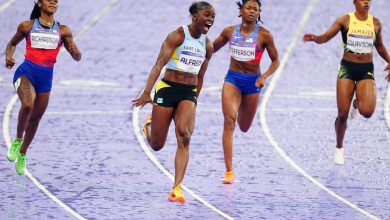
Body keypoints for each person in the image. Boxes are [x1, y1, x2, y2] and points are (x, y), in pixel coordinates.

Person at [132, 2, 215, 204]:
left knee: (185, 137)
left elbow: (201, 76)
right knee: (157, 145)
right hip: (168, 88)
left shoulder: (207, 46)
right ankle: (149, 126)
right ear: (195, 16)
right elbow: (159, 64)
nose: (211, 19)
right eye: (207, 15)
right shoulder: (177, 35)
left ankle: (176, 189)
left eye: (213, 16)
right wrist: (146, 92)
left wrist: (195, 97)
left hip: (188, 92)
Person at [303, 0, 390, 164]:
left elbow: (379, 46)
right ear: (355, 2)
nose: (367, 3)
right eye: (363, 0)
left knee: (368, 112)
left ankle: (356, 104)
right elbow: (326, 37)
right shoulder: (345, 20)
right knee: (342, 115)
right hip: (347, 69)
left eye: (369, 0)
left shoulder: (376, 23)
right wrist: (315, 38)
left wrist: (389, 61)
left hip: (366, 70)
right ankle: (339, 147)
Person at [5, 0, 81, 175]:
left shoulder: (63, 31)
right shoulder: (27, 26)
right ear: (39, 3)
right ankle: (17, 140)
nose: (53, 1)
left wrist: (76, 53)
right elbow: (12, 44)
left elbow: (77, 57)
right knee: (28, 104)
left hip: (45, 79)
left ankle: (23, 152)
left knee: (35, 120)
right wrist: (8, 57)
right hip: (26, 73)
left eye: (56, 0)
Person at [212, 0, 279, 184]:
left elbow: (275, 61)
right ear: (241, 11)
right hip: (232, 80)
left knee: (244, 126)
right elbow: (211, 49)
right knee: (229, 121)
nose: (251, 11)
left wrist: (264, 76)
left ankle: (240, 106)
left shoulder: (265, 35)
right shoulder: (229, 32)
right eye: (248, 8)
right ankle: (229, 171)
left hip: (252, 83)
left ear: (259, 13)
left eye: (255, 9)